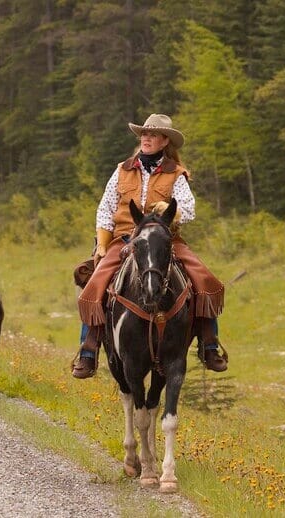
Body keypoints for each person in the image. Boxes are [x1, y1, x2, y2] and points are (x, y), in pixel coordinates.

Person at [72, 113, 228, 379]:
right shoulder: (122, 169)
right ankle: (88, 351)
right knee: (94, 286)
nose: (146, 138)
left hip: (164, 239)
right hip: (124, 237)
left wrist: (170, 211)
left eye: (153, 135)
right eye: (144, 134)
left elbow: (188, 209)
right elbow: (105, 208)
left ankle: (210, 345)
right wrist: (101, 243)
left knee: (205, 281)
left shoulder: (176, 174)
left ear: (165, 141)